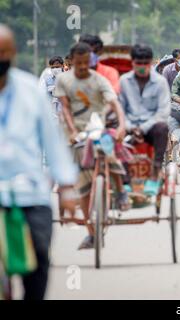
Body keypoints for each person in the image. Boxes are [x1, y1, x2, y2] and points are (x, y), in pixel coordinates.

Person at [0, 24, 77, 300]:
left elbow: (52, 142)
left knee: (39, 254)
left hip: (29, 191)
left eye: (3, 54)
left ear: (13, 53)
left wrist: (66, 185)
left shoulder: (29, 91)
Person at [55, 42, 129, 250]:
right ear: (71, 62)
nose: (81, 67)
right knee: (82, 187)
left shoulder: (99, 80)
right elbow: (66, 108)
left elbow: (115, 105)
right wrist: (73, 131)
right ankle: (90, 232)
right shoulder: (63, 80)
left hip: (97, 127)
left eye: (85, 63)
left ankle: (121, 190)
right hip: (74, 134)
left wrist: (122, 126)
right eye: (77, 63)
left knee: (109, 146)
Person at [119, 44, 171, 194]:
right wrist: (129, 127)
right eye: (138, 63)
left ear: (150, 63)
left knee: (162, 128)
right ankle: (125, 180)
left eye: (145, 63)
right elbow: (120, 109)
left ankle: (155, 173)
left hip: (151, 127)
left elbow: (163, 111)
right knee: (114, 133)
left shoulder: (160, 82)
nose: (142, 67)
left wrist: (142, 128)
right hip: (129, 126)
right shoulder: (124, 81)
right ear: (133, 63)